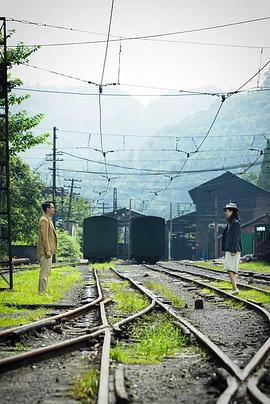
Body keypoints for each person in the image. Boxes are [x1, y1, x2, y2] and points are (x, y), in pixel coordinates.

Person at [37, 201, 57, 296]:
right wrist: (48, 250)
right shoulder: (44, 220)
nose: (54, 209)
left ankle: (44, 292)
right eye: (52, 207)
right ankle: (42, 293)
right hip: (45, 251)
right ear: (47, 209)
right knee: (44, 273)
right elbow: (44, 237)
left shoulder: (48, 219)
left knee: (47, 272)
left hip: (48, 251)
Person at [221, 202, 242, 294]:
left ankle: (235, 289)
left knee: (230, 269)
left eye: (226, 210)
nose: (225, 212)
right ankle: (235, 288)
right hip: (230, 249)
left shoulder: (235, 223)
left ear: (232, 211)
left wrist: (233, 250)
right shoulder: (230, 223)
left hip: (233, 250)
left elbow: (236, 237)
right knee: (232, 269)